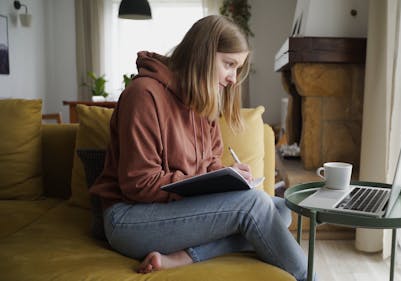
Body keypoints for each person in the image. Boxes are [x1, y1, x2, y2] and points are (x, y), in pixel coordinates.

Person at [89, 15, 308, 281]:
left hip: (171, 211)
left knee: (282, 211)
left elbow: (208, 165)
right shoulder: (143, 95)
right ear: (203, 53)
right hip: (128, 218)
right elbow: (139, 185)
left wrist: (229, 176)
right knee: (255, 207)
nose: (232, 79)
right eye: (229, 65)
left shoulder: (201, 103)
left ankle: (182, 257)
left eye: (236, 69)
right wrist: (212, 187)